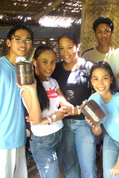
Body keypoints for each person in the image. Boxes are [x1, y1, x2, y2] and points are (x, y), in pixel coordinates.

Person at [19, 45, 75, 178]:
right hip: (42, 141)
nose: (50, 66)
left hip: (59, 134)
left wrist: (48, 119)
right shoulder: (27, 88)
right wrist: (33, 89)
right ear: (34, 62)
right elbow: (37, 120)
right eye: (44, 62)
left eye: (52, 62)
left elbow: (66, 107)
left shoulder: (53, 82)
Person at [52, 32, 97, 178]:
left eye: (69, 47)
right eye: (61, 48)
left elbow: (97, 97)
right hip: (63, 123)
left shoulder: (89, 67)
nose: (65, 52)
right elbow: (50, 90)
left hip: (84, 122)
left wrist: (78, 110)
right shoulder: (56, 69)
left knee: (88, 166)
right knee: (69, 164)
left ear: (77, 47)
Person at [86, 61, 119, 178]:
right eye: (96, 79)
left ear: (111, 80)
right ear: (91, 81)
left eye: (104, 78)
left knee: (116, 176)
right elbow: (97, 132)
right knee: (108, 175)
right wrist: (96, 125)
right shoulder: (92, 100)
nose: (100, 83)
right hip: (111, 139)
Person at [0, 24, 33, 178]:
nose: (23, 43)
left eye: (27, 40)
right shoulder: (1, 67)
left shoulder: (25, 70)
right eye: (17, 39)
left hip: (19, 136)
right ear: (8, 42)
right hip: (2, 138)